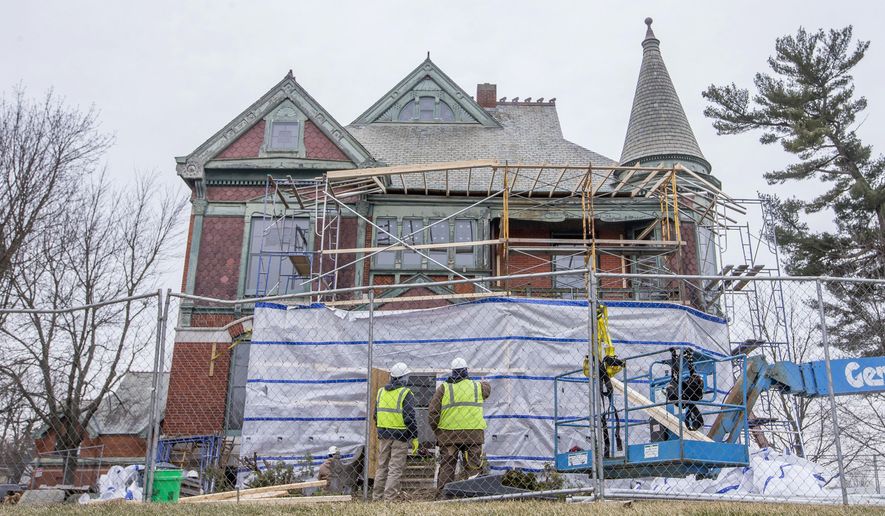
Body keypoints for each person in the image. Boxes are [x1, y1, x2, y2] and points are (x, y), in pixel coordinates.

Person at [428, 357, 491, 497]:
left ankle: (443, 496)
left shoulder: (444, 388)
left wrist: (438, 431)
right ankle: (475, 495)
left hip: (449, 436)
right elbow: (487, 388)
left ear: (452, 372)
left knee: (448, 466)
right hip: (473, 435)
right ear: (466, 371)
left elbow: (432, 412)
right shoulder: (477, 386)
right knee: (473, 465)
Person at [372, 362, 418, 501]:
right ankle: (389, 499)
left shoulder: (381, 392)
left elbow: (376, 415)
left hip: (384, 435)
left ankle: (377, 497)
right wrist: (414, 436)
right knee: (395, 468)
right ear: (404, 378)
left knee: (382, 467)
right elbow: (409, 417)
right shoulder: (405, 393)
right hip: (401, 436)